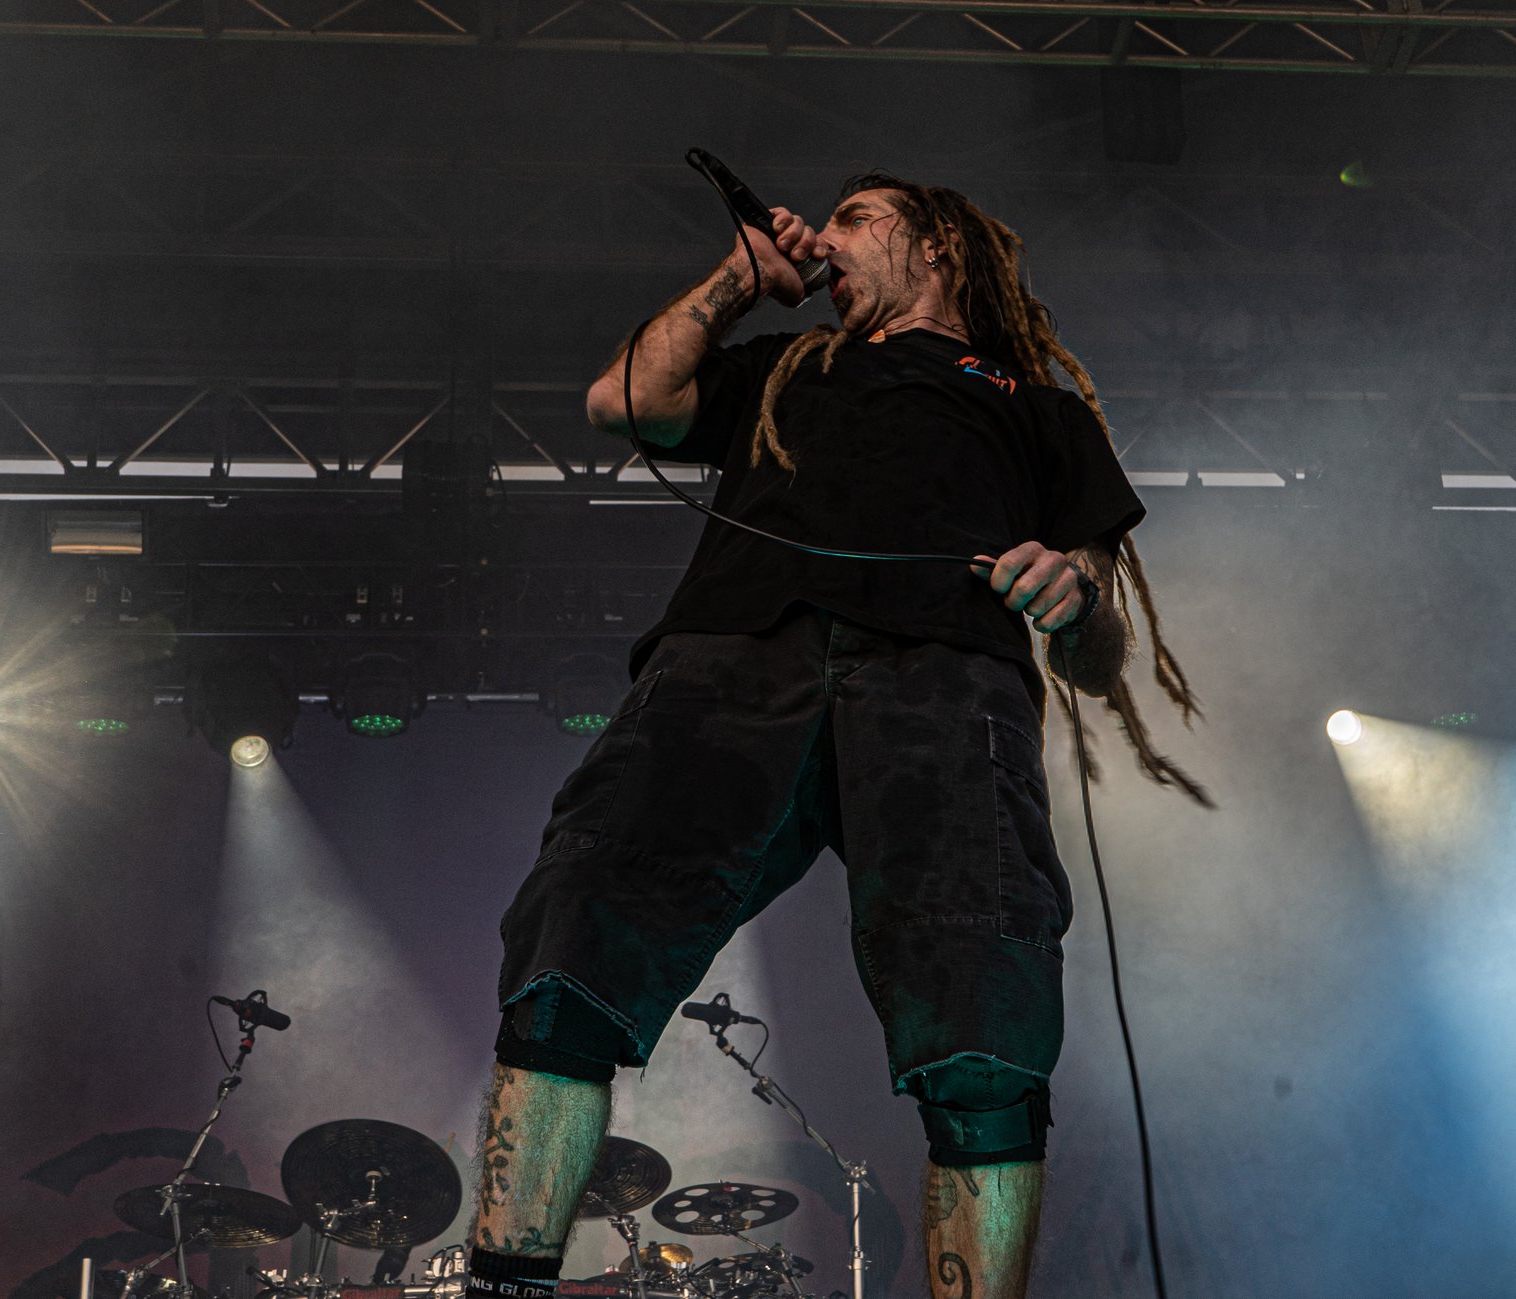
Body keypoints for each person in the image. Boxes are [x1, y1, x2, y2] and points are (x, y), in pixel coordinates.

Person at [463, 172, 1202, 1299]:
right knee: (575, 946)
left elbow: (1098, 644)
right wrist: (741, 282)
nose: (831, 237)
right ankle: (503, 1284)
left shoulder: (1035, 405)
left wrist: (1071, 591)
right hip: (732, 655)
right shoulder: (787, 365)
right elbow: (626, 398)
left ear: (939, 242)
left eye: (857, 218)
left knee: (984, 1020)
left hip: (944, 681)